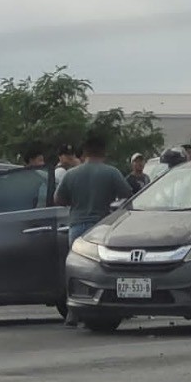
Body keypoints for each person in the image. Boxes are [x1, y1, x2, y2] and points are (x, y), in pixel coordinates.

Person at [54, 135, 132, 326]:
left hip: (77, 226)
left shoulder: (72, 174)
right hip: (101, 226)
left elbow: (58, 199)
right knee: (103, 268)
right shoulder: (111, 172)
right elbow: (128, 194)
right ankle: (106, 304)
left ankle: (73, 311)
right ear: (103, 152)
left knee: (76, 270)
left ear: (84, 152)